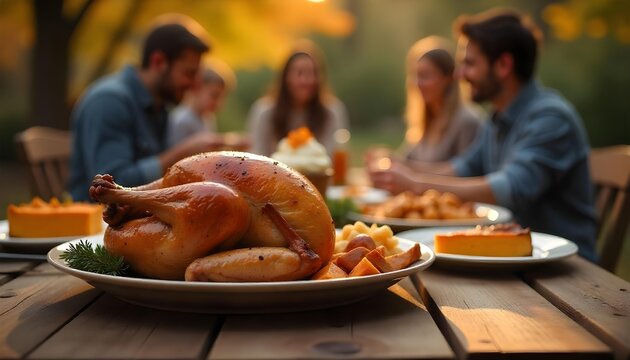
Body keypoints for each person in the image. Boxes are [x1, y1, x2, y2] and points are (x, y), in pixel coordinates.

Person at [369, 10, 597, 260]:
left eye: (470, 63)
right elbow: (463, 167)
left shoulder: (551, 119)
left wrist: (416, 184)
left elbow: (511, 189)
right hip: (510, 256)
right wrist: (402, 168)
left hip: (565, 266)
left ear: (504, 65)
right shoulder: (498, 117)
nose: (459, 74)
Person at [69, 20, 221, 201]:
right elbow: (111, 188)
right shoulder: (109, 102)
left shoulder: (159, 106)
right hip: (99, 223)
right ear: (158, 62)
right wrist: (183, 152)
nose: (195, 85)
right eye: (189, 73)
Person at [247, 39, 349, 156]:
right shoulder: (264, 112)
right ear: (286, 78)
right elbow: (256, 154)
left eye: (312, 73)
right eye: (299, 73)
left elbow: (332, 155)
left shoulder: (332, 112)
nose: (306, 81)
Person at [167, 58, 238, 147]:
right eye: (214, 96)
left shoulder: (208, 118)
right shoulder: (182, 121)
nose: (219, 103)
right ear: (196, 88)